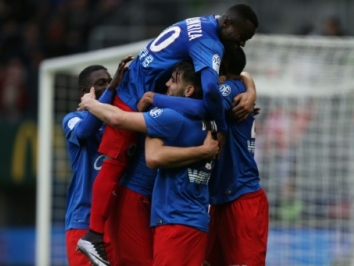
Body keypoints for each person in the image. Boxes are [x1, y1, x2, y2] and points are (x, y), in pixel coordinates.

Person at [78, 3, 259, 263]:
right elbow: (209, 93)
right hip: (134, 100)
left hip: (175, 214)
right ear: (228, 23)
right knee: (114, 164)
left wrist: (247, 88)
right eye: (243, 36)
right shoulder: (175, 110)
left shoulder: (201, 29)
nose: (242, 43)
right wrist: (218, 128)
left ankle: (96, 233)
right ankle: (93, 235)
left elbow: (215, 91)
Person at [79, 60, 219, 265]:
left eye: (172, 80)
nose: (166, 85)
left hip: (169, 213)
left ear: (188, 90)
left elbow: (148, 152)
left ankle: (93, 234)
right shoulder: (214, 118)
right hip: (193, 215)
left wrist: (91, 103)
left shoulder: (169, 117)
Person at [62, 56, 132, 266]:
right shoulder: (74, 119)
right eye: (101, 83)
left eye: (110, 81)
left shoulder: (122, 122)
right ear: (84, 92)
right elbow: (84, 132)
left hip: (117, 221)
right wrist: (101, 101)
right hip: (83, 221)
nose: (110, 85)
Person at [204, 47, 269, 266]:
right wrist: (250, 86)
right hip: (222, 198)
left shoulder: (227, 91)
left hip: (241, 197)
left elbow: (206, 102)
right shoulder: (239, 88)